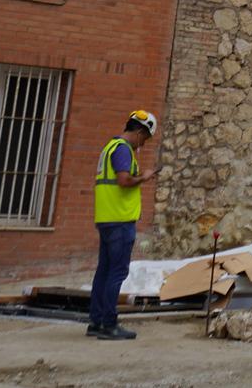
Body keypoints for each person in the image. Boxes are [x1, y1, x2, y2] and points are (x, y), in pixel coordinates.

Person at [89, 110, 158, 340]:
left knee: (104, 271)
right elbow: (124, 180)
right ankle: (109, 324)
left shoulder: (109, 147)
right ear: (139, 133)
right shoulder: (122, 150)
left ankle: (96, 322)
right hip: (119, 220)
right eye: (145, 139)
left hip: (107, 218)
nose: (144, 145)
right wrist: (145, 177)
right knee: (117, 272)